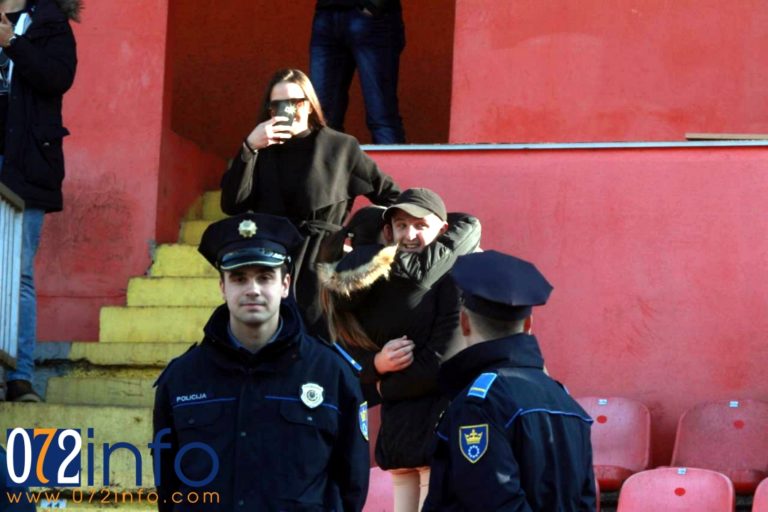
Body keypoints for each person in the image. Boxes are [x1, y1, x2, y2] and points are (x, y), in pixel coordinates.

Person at [152, 213, 370, 511]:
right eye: (239, 278)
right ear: (222, 287)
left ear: (285, 285)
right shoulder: (182, 378)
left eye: (265, 277)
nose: (252, 289)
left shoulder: (331, 374)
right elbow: (168, 484)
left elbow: (351, 483)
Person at [318, 188, 481, 511]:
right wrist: (376, 365)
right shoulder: (376, 279)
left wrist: (381, 384)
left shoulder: (453, 276)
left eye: (420, 225)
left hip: (436, 423)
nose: (410, 234)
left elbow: (444, 360)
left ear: (442, 229)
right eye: (402, 225)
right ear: (388, 231)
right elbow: (341, 347)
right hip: (404, 431)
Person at [220, 67, 400, 337]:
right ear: (269, 110)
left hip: (321, 261)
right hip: (273, 260)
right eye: (278, 104)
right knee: (270, 340)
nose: (288, 110)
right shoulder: (260, 151)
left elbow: (391, 197)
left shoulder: (340, 147)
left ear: (310, 106)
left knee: (318, 342)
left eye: (296, 102)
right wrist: (249, 148)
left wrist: (364, 245)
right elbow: (232, 204)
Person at [422, 251, 596, 511]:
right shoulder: (565, 400)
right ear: (529, 324)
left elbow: (492, 501)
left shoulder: (480, 403)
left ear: (465, 322)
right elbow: (585, 500)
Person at [0, 0, 79, 402]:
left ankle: (19, 376)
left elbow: (57, 78)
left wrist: (11, 41)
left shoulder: (50, 21)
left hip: (24, 162)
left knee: (18, 273)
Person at [310, 0, 406, 144]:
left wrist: (374, 5)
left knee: (381, 115)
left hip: (372, 16)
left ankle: (392, 167)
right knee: (321, 116)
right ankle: (325, 165)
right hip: (327, 13)